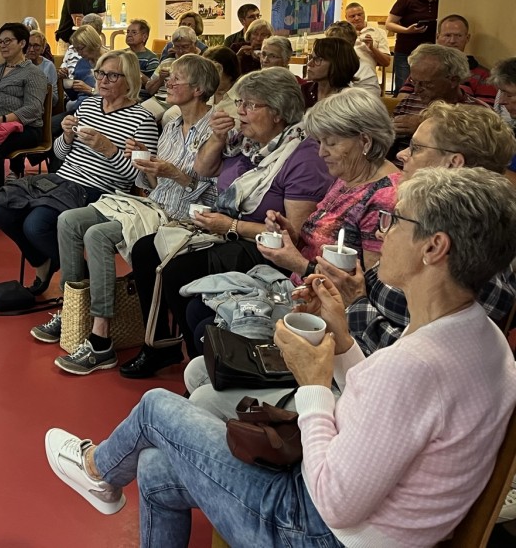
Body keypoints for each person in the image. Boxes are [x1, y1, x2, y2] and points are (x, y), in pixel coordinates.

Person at [45, 165, 516, 548]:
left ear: (434, 248)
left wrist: (313, 383)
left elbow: (335, 504)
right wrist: (341, 338)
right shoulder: (478, 334)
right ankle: (104, 475)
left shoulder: (416, 365)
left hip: (322, 531)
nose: (382, 232)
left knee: (154, 408)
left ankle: (97, 471)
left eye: (395, 222)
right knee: (152, 469)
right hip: (385, 521)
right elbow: (389, 408)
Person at [181, 88, 401, 417]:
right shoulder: (347, 177)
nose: (321, 152)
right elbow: (319, 237)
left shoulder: (385, 199)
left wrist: (296, 261)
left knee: (207, 336)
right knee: (199, 313)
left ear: (365, 142)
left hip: (325, 319)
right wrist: (290, 233)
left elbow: (366, 292)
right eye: (320, 141)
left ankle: (225, 422)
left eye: (331, 142)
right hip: (299, 291)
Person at [121, 68, 333, 378]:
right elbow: (202, 168)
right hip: (225, 231)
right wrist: (218, 136)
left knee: (177, 269)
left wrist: (230, 226)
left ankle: (201, 364)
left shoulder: (302, 157)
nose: (240, 111)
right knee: (144, 250)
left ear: (277, 112)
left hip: (263, 248)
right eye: (241, 103)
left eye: (250, 105)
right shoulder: (242, 142)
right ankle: (159, 345)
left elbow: (294, 236)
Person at [44, 55, 221, 375]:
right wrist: (143, 161)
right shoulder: (170, 124)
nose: (167, 82)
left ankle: (100, 340)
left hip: (184, 217)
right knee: (68, 220)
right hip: (153, 205)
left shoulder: (215, 131)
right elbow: (147, 183)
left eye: (175, 78)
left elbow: (217, 195)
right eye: (169, 77)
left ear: (198, 89)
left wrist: (171, 173)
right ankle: (71, 313)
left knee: (96, 234)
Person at [317, 101, 516, 356]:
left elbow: (424, 356)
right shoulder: (426, 216)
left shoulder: (478, 242)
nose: (401, 154)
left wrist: (355, 303)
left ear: (453, 162)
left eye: (416, 148)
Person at [0, 50, 158, 297]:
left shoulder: (142, 119)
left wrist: (108, 149)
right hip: (63, 180)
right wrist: (66, 136)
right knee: (1, 207)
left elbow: (137, 178)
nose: (102, 80)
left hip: (101, 190)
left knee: (36, 225)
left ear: (130, 79)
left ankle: (79, 287)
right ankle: (47, 263)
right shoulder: (88, 105)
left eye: (112, 76)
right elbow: (58, 154)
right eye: (100, 74)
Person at [0, 22, 49, 231]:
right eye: (0, 42)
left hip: (24, 128)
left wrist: (0, 119)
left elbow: (32, 109)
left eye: (7, 41)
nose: (2, 45)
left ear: (22, 43)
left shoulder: (33, 73)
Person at [390, 43, 488, 155]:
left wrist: (427, 128)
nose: (417, 90)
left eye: (426, 84)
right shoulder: (409, 102)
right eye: (414, 82)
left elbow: (478, 156)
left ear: (453, 81)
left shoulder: (478, 113)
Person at [410, 14, 497, 102]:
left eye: (458, 36)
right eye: (447, 35)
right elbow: (402, 97)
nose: (452, 41)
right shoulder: (422, 70)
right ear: (437, 37)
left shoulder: (483, 75)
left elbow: (484, 112)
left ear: (467, 38)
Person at [386, 0, 440, 95]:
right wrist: (407, 30)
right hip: (407, 51)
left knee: (430, 89)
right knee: (404, 88)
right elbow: (389, 23)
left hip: (433, 52)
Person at [144, 26, 200, 103]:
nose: (180, 51)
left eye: (185, 47)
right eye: (177, 47)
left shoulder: (200, 64)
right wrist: (160, 78)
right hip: (159, 100)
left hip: (182, 102)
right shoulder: (167, 62)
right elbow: (149, 89)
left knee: (168, 115)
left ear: (194, 45)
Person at [344, 2, 390, 91]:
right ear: (346, 18)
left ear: (364, 14)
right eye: (352, 16)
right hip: (344, 80)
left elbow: (386, 62)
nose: (357, 18)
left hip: (367, 80)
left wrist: (372, 48)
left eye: (360, 15)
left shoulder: (379, 32)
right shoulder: (341, 32)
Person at [299, 35, 356, 107]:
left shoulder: (349, 101)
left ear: (337, 63)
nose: (309, 64)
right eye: (311, 58)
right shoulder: (303, 91)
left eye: (317, 60)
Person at [122, 18, 159, 99]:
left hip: (140, 97)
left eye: (134, 32)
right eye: (128, 32)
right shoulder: (121, 54)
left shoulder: (151, 58)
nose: (129, 35)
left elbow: (152, 85)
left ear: (144, 37)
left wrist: (136, 73)